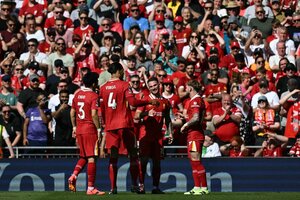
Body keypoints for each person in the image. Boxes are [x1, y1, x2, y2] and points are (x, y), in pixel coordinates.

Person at [99, 63, 158, 194]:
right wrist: (148, 101)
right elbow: (132, 103)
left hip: (110, 126)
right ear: (119, 71)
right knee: (133, 155)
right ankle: (134, 184)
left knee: (113, 157)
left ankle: (113, 188)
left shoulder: (103, 88)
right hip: (124, 125)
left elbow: (101, 110)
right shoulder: (124, 85)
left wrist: (105, 125)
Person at [68, 72, 105, 195]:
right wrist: (99, 129)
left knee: (84, 156)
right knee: (92, 158)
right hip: (90, 129)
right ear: (94, 83)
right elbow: (94, 114)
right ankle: (90, 188)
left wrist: (74, 127)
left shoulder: (77, 95)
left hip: (79, 129)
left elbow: (72, 113)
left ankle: (74, 175)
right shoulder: (93, 95)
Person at [135, 77, 172, 194]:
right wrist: (146, 113)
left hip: (158, 137)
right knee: (144, 161)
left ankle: (155, 187)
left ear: (159, 85)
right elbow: (136, 116)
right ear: (148, 87)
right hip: (145, 135)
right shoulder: (145, 100)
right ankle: (141, 186)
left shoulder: (165, 102)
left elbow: (168, 118)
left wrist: (170, 132)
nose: (153, 88)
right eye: (150, 86)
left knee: (157, 162)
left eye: (155, 85)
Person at [180, 80, 209, 195]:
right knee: (193, 161)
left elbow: (196, 118)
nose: (185, 89)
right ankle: (197, 187)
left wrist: (185, 124)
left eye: (187, 87)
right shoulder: (195, 100)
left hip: (195, 135)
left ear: (191, 88)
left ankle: (204, 188)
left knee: (196, 160)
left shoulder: (196, 101)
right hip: (193, 134)